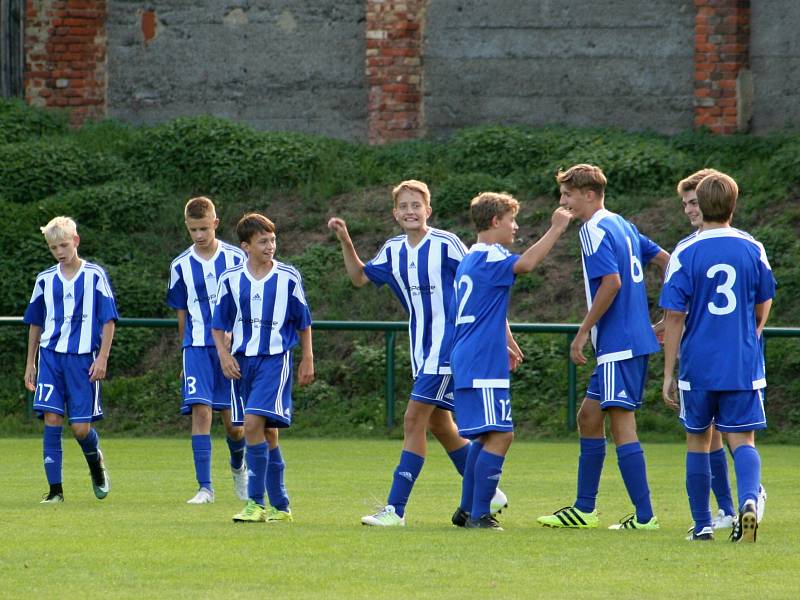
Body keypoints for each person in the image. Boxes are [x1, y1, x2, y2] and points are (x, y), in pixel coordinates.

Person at [328, 180, 514, 527]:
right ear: (395, 213)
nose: (410, 211)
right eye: (404, 206)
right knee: (440, 423)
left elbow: (482, 290)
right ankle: (487, 494)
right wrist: (346, 241)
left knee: (413, 420)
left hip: (450, 346)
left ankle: (395, 510)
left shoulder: (447, 245)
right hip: (421, 349)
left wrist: (505, 338)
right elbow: (359, 277)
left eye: (417, 205)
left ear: (428, 210)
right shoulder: (394, 249)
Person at [537, 164, 669, 531]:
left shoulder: (592, 229)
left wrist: (583, 332)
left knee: (622, 424)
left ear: (589, 194)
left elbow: (610, 283)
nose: (563, 202)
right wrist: (666, 315)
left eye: (568, 195)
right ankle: (583, 509)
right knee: (589, 418)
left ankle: (645, 518)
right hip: (629, 340)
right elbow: (665, 260)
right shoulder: (621, 224)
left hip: (617, 344)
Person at [660, 172, 775, 542]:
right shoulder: (751, 247)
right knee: (742, 440)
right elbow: (764, 301)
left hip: (699, 364)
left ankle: (703, 524)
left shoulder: (685, 251)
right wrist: (751, 333)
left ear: (700, 204)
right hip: (741, 361)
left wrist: (667, 372)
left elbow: (674, 316)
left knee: (697, 439)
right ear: (733, 204)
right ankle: (748, 503)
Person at [451, 193, 572, 530]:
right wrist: (556, 228)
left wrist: (505, 340)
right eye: (511, 220)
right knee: (502, 435)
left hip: (472, 354)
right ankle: (479, 515)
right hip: (480, 359)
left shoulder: (470, 260)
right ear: (495, 222)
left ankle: (466, 510)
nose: (515, 227)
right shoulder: (491, 256)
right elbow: (527, 264)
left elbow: (483, 308)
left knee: (487, 435)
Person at [212, 213, 314, 523]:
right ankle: (281, 506)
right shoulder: (230, 278)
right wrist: (223, 355)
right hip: (243, 362)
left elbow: (304, 322)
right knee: (268, 434)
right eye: (263, 241)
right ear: (246, 246)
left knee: (253, 424)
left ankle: (255, 503)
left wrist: (308, 358)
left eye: (273, 240)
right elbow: (218, 324)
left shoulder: (287, 276)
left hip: (274, 360)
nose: (270, 246)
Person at [23, 216, 118, 503]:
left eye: (63, 245)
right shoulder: (45, 280)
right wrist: (31, 362)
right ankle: (55, 491)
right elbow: (35, 323)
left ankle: (95, 461)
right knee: (51, 419)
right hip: (51, 358)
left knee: (80, 428)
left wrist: (102, 358)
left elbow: (109, 319)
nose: (59, 251)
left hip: (83, 361)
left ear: (75, 241)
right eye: (53, 248)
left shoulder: (94, 276)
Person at [167, 196, 249, 505]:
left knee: (235, 426)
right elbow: (181, 312)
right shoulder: (180, 265)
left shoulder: (236, 258)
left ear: (215, 223)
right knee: (200, 413)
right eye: (193, 230)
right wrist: (183, 353)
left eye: (204, 228)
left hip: (230, 350)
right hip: (197, 349)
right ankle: (205, 488)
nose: (199, 235)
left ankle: (239, 466)